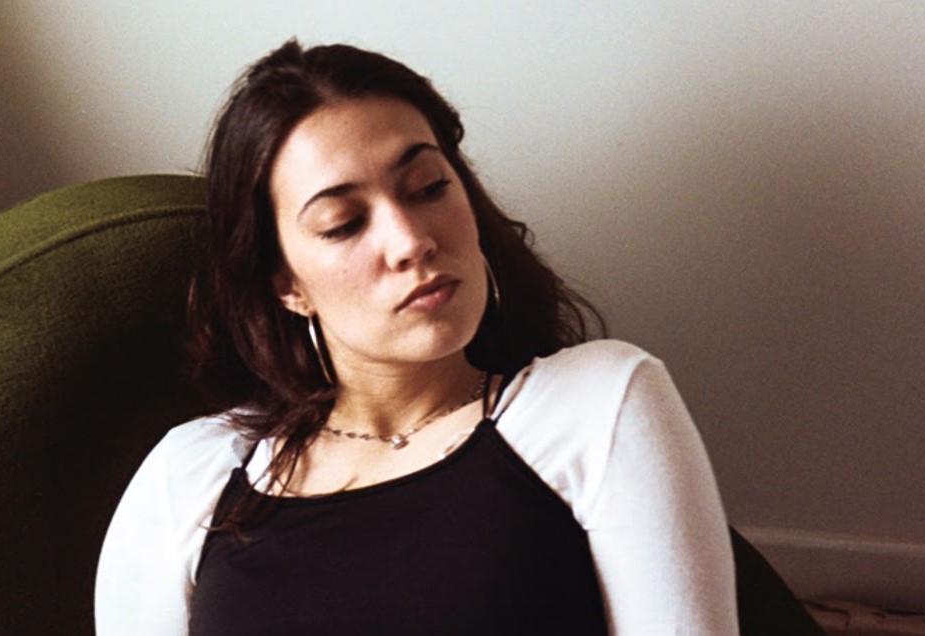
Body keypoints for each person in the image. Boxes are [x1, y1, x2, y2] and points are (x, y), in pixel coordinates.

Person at [95, 39, 737, 635]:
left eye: (429, 188)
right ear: (285, 283)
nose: (410, 240)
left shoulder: (594, 407)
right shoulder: (193, 476)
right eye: (344, 223)